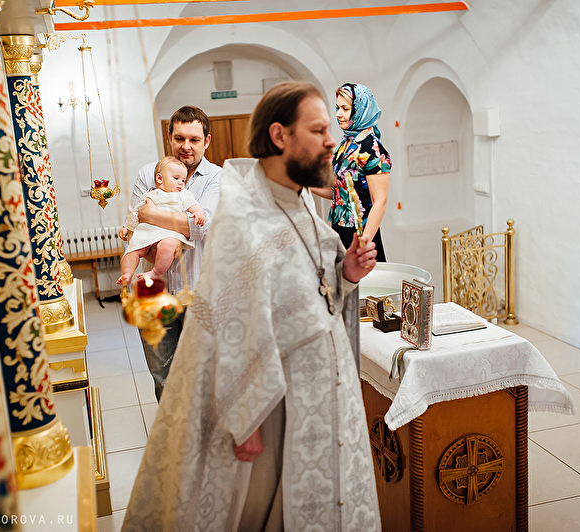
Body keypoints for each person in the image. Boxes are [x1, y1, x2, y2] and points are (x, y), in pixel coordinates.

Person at [121, 81, 381, 532]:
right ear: (280, 136)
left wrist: (347, 274)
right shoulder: (243, 213)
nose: (331, 141)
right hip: (273, 411)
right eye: (319, 130)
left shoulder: (298, 202)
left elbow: (311, 294)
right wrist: (245, 421)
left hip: (319, 402)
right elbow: (230, 319)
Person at [119, 106, 221, 401]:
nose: (186, 146)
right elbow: (136, 224)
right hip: (154, 290)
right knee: (163, 374)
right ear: (169, 137)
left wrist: (152, 216)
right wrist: (159, 224)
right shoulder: (148, 174)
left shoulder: (217, 177)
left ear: (207, 141)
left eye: (194, 139)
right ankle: (172, 430)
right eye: (179, 138)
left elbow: (201, 227)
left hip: (199, 291)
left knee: (205, 374)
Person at [311, 83, 392, 368]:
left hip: (360, 234)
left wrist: (364, 243)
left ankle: (371, 367)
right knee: (339, 301)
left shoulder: (374, 150)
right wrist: (304, 185)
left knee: (367, 308)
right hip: (338, 231)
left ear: (361, 110)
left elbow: (380, 202)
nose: (338, 114)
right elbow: (336, 192)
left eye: (345, 108)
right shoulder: (346, 145)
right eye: (337, 108)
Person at [116, 156, 205, 286]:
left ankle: (156, 272)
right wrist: (126, 227)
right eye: (176, 178)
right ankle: (128, 273)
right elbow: (136, 212)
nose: (181, 183)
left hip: (169, 233)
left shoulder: (183, 195)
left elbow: (193, 205)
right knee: (133, 249)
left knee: (168, 244)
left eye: (183, 180)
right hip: (148, 232)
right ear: (159, 178)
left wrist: (198, 213)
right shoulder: (150, 194)